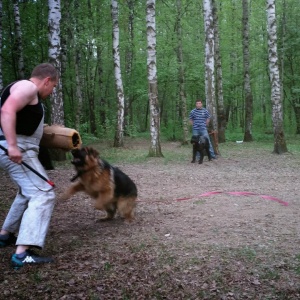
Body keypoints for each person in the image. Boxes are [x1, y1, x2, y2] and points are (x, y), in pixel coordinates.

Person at [0, 63, 58, 269]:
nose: (51, 92)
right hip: (16, 148)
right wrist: (13, 146)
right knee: (44, 192)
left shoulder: (21, 89)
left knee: (27, 192)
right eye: (53, 87)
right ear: (47, 80)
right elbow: (7, 110)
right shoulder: (28, 87)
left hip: (15, 146)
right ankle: (22, 254)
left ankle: (5, 235)